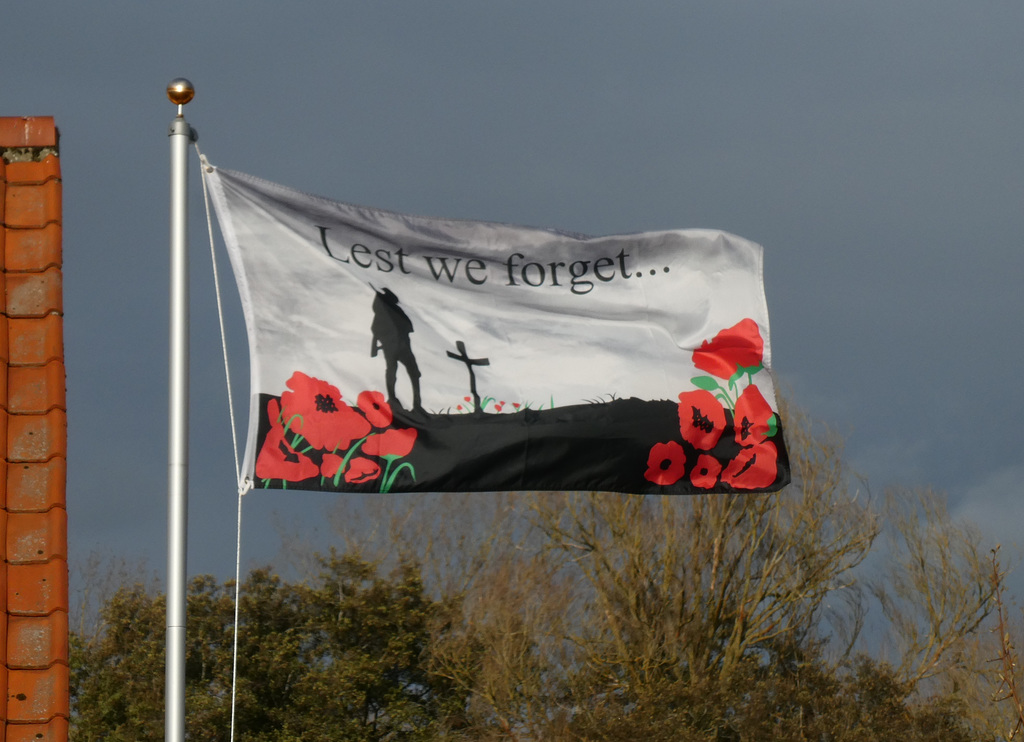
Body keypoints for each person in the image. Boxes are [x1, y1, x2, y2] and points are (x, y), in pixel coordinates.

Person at [370, 288, 423, 412]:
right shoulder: (380, 317)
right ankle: (392, 399)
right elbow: (376, 333)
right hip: (392, 349)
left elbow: (409, 327)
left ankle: (417, 404)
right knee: (392, 372)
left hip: (404, 347)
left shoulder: (397, 312)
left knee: (414, 373)